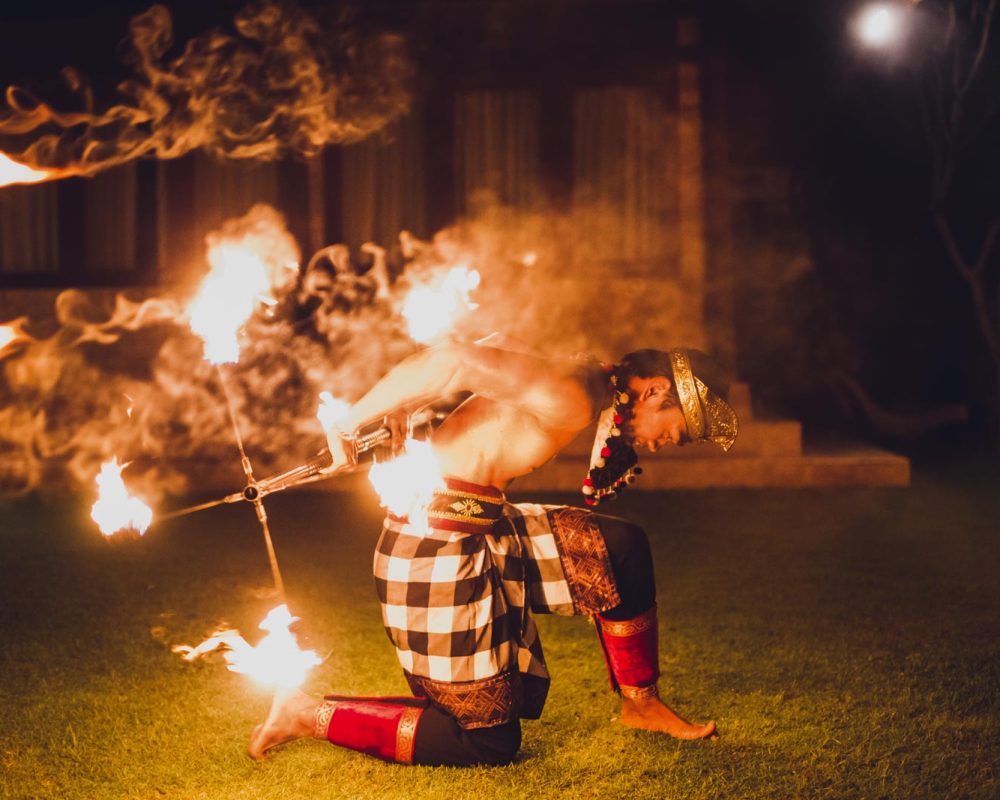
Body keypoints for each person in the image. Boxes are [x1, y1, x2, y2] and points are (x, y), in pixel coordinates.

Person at [248, 341, 738, 765]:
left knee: (621, 547)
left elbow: (490, 343)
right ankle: (306, 714)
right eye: (675, 428)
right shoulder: (570, 393)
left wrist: (407, 404)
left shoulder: (587, 375)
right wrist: (350, 422)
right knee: (488, 743)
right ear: (653, 389)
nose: (666, 442)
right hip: (430, 557)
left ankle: (641, 705)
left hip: (488, 530)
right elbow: (453, 357)